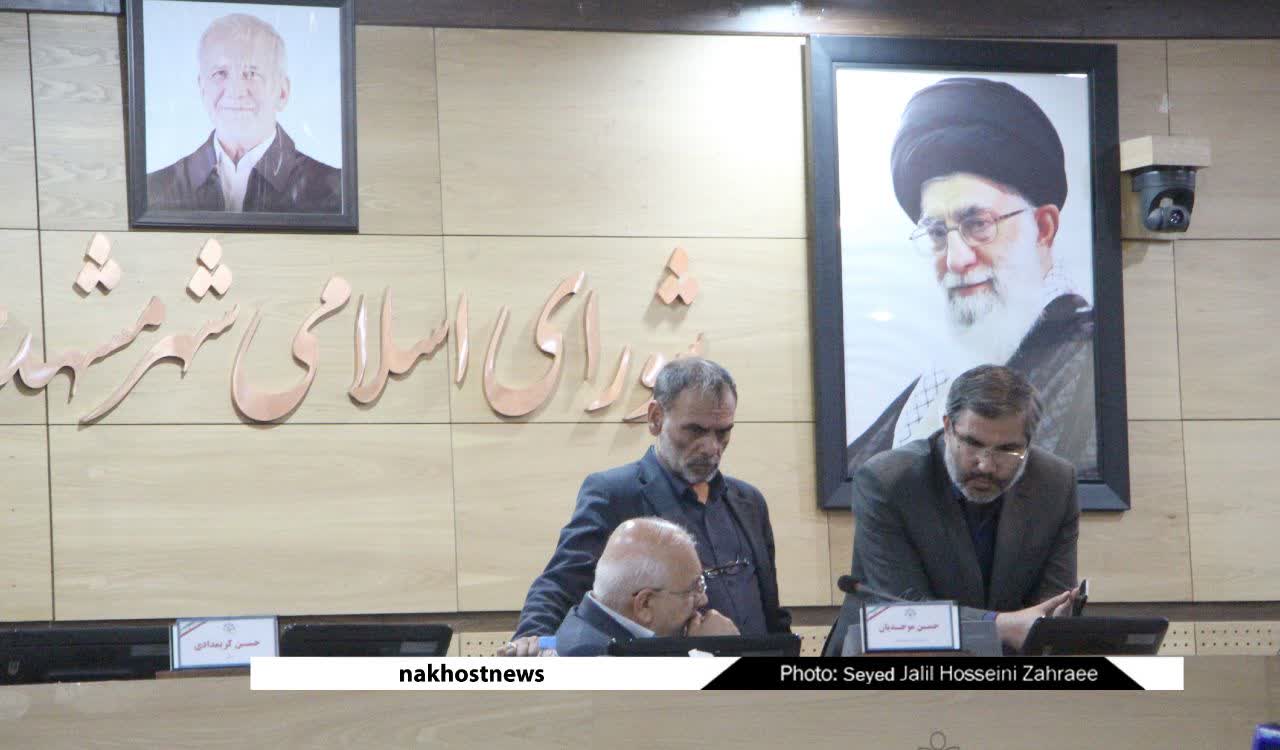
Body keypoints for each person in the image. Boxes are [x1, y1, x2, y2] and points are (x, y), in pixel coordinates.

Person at [847, 76, 1096, 481]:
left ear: (1043, 228)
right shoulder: (942, 375)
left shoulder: (1085, 359)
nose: (957, 259)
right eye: (937, 233)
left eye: (978, 224)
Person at [498, 357, 790, 656]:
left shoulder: (749, 502)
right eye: (695, 430)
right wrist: (532, 637)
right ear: (656, 418)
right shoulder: (614, 494)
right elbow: (561, 583)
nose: (711, 447)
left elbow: (770, 611)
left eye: (722, 432)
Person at [836, 364, 1079, 653]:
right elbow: (903, 609)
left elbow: (1052, 605)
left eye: (1007, 450)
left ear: (1029, 443)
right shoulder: (888, 482)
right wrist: (1000, 625)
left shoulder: (1056, 483)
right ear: (947, 427)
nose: (985, 465)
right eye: (972, 444)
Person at [146, 13, 342, 213]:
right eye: (220, 73)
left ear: (282, 92)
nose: (235, 91)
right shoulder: (155, 191)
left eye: (251, 74)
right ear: (202, 89)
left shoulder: (334, 194)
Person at [554, 517, 740, 656]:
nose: (703, 599)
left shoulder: (600, 630)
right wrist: (715, 652)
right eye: (692, 590)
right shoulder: (595, 660)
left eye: (701, 584)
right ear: (644, 604)